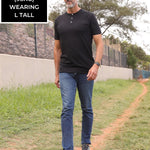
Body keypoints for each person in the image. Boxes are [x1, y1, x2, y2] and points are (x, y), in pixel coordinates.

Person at [54, 0, 103, 149]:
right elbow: (57, 49)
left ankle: (85, 143)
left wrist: (96, 65)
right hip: (66, 71)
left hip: (86, 71)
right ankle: (67, 147)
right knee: (67, 108)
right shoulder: (59, 20)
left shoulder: (89, 17)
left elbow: (99, 43)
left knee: (87, 107)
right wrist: (56, 74)